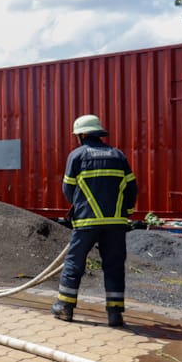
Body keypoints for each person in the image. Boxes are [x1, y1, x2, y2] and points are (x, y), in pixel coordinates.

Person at [51, 115, 137, 327]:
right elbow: (131, 187)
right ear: (98, 133)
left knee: (74, 262)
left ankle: (65, 308)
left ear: (80, 135)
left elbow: (67, 188)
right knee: (114, 265)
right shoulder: (118, 156)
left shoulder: (77, 156)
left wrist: (80, 205)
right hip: (115, 224)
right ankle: (115, 314)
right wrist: (126, 210)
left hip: (86, 222)